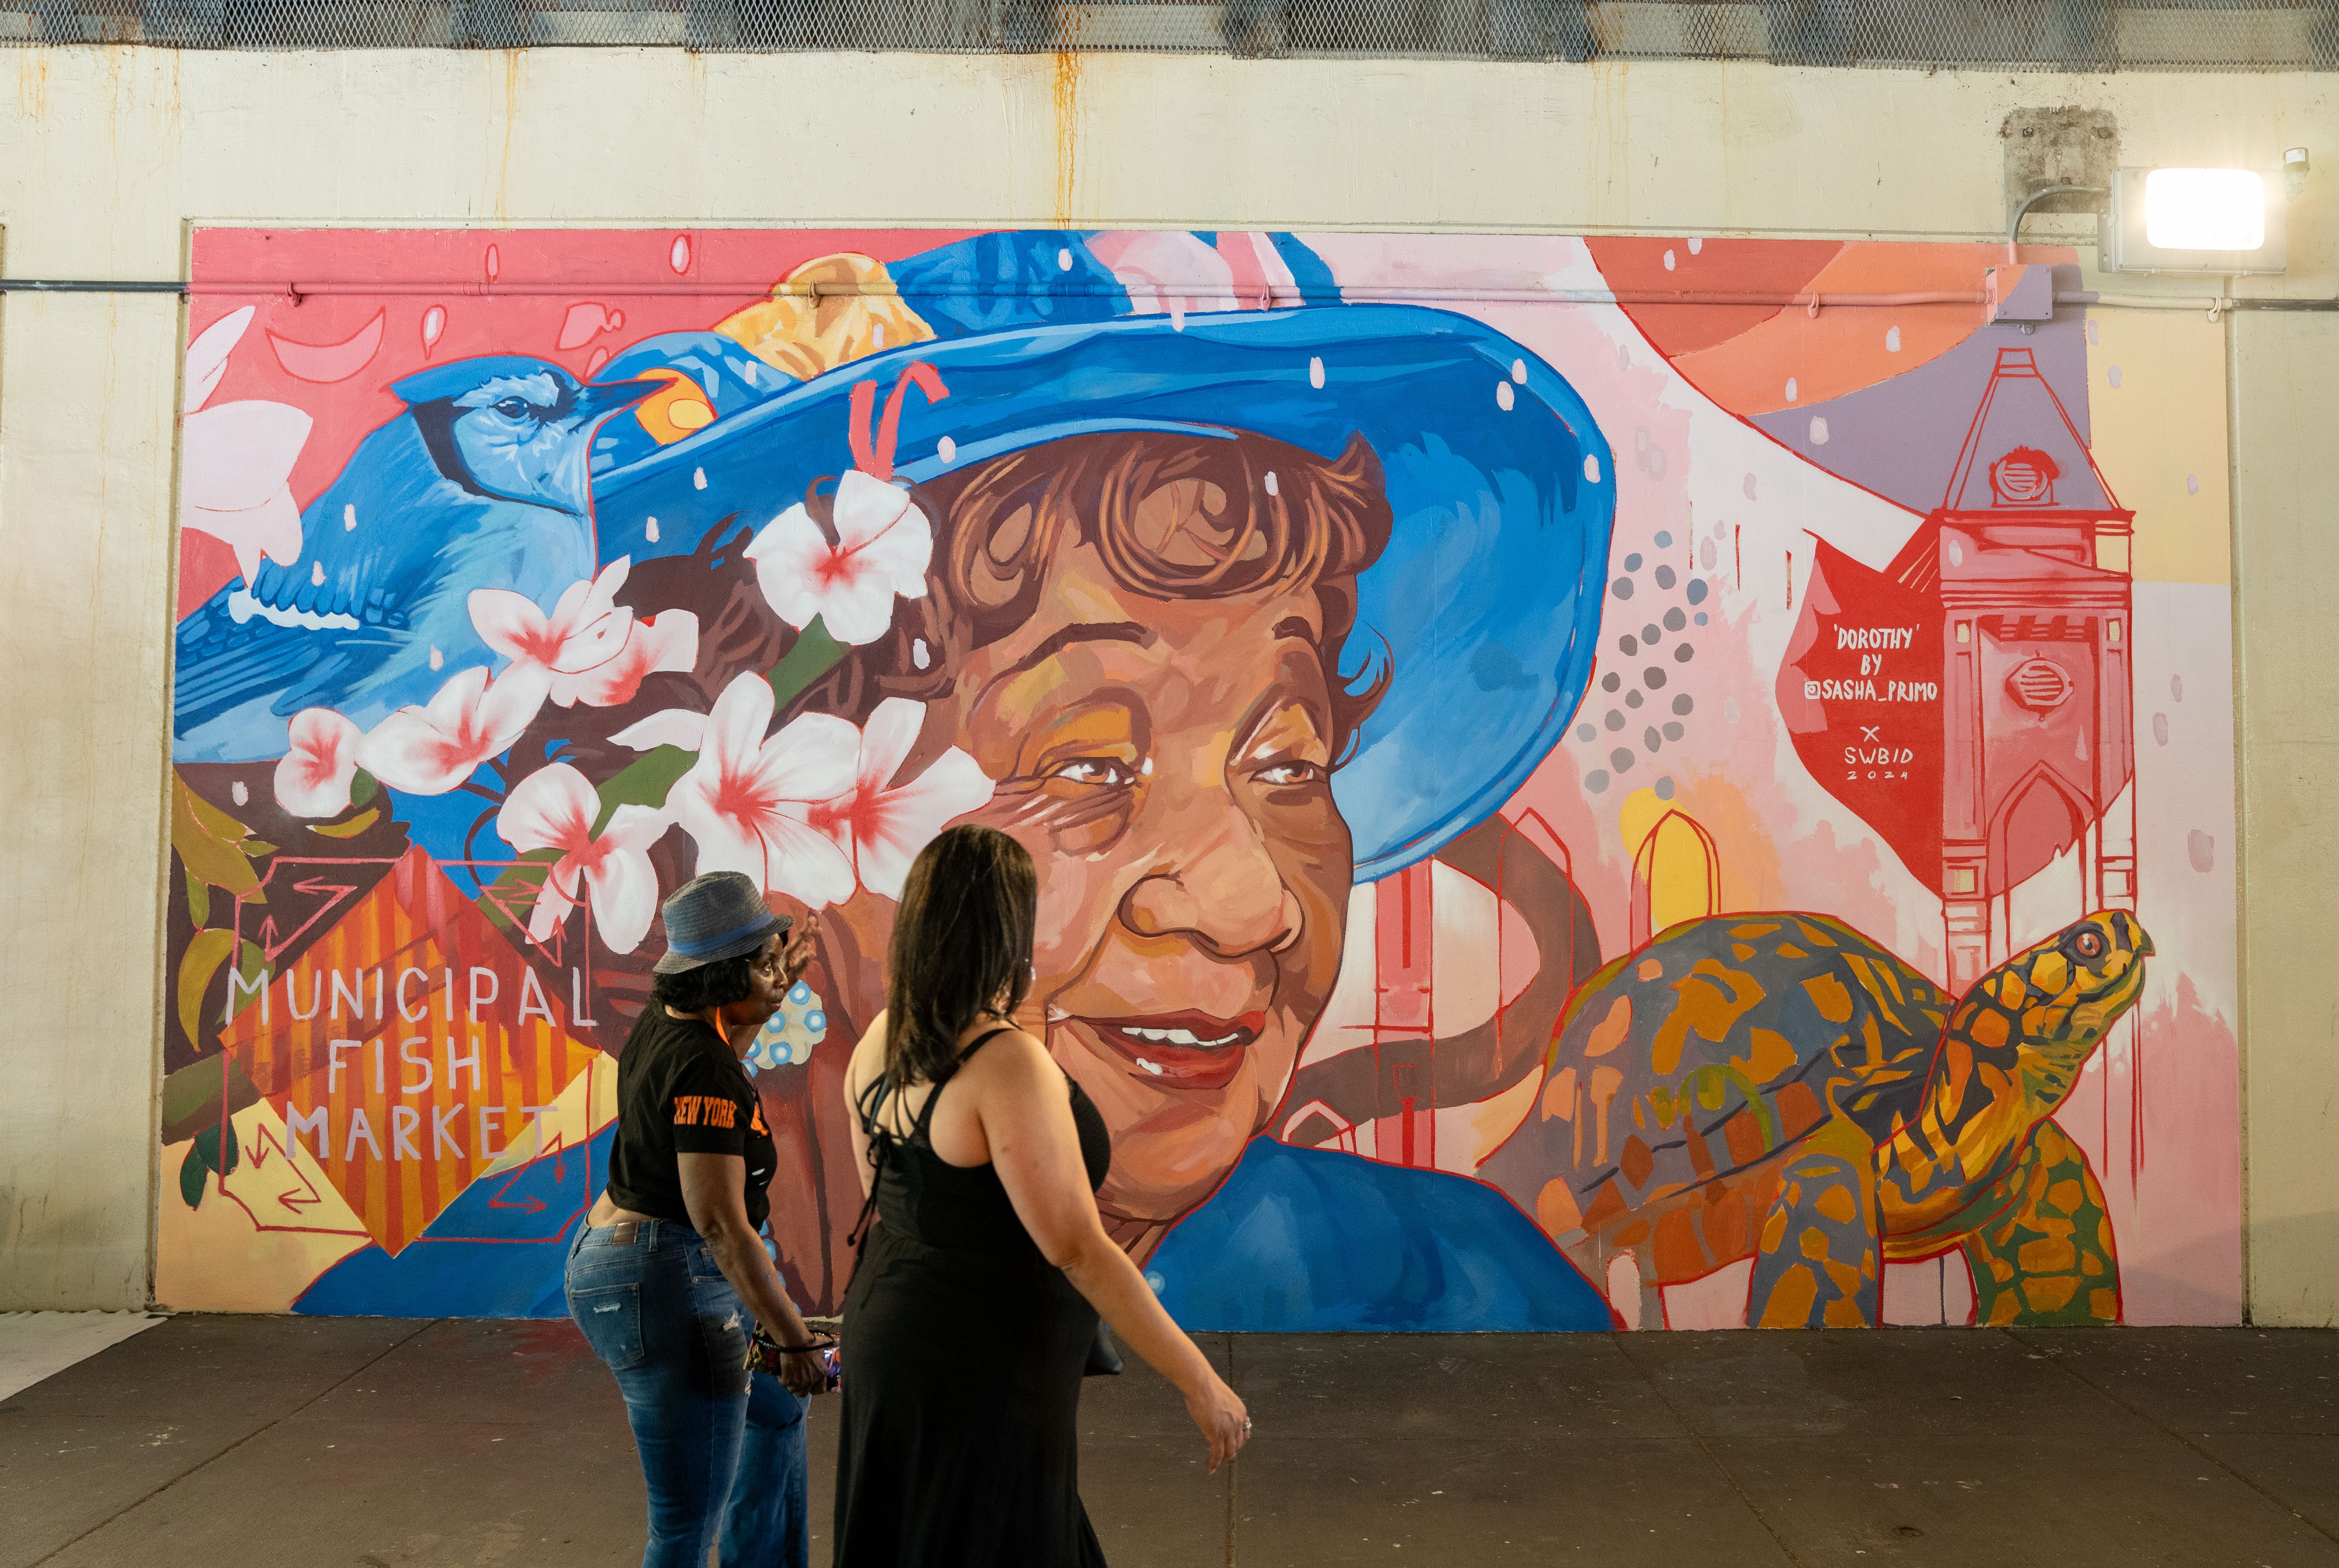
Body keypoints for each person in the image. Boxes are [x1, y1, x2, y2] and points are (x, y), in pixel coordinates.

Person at [834, 823, 1250, 1568]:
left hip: (896, 1331)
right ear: (1004, 931)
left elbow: (886, 1192)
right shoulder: (1005, 1062)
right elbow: (1078, 1248)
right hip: (979, 1363)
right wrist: (1201, 1380)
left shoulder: (883, 1036)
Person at [565, 869, 832, 1568]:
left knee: (775, 1414)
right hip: (667, 1280)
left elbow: (728, 1054)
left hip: (625, 1259)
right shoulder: (703, 1074)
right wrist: (794, 1339)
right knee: (684, 1528)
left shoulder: (670, 1025)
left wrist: (768, 993)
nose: (782, 978)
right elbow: (720, 1225)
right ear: (721, 977)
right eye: (766, 965)